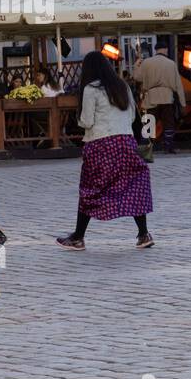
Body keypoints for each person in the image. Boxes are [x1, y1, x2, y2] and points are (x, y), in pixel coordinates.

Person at [57, 50, 153, 251]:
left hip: (101, 145)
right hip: (126, 143)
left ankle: (78, 237)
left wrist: (77, 120)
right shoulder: (123, 86)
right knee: (132, 186)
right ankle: (144, 234)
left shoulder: (91, 89)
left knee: (90, 190)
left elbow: (87, 121)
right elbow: (133, 115)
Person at [133, 39, 187, 154]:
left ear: (156, 50)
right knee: (168, 123)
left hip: (151, 98)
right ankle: (169, 146)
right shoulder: (171, 63)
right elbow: (178, 85)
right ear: (166, 50)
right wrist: (183, 103)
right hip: (167, 98)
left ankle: (145, 149)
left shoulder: (147, 62)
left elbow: (137, 77)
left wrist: (136, 65)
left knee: (149, 124)